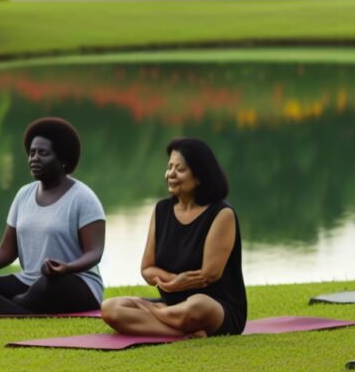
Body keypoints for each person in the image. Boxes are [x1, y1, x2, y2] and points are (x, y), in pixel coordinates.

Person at [101, 137, 247, 337]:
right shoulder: (162, 210)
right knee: (111, 308)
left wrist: (161, 297)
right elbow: (147, 269)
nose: (171, 174)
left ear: (199, 176)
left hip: (215, 307)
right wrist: (174, 280)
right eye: (169, 167)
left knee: (197, 306)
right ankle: (185, 332)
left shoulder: (221, 214)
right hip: (172, 304)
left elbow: (208, 275)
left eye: (180, 169)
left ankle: (163, 318)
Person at [0, 117, 106, 315]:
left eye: (43, 153)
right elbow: (5, 252)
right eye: (32, 153)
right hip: (29, 281)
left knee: (44, 286)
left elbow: (94, 253)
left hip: (74, 282)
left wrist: (67, 267)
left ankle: (16, 306)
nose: (34, 158)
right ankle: (20, 310)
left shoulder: (83, 198)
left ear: (63, 159)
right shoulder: (23, 195)